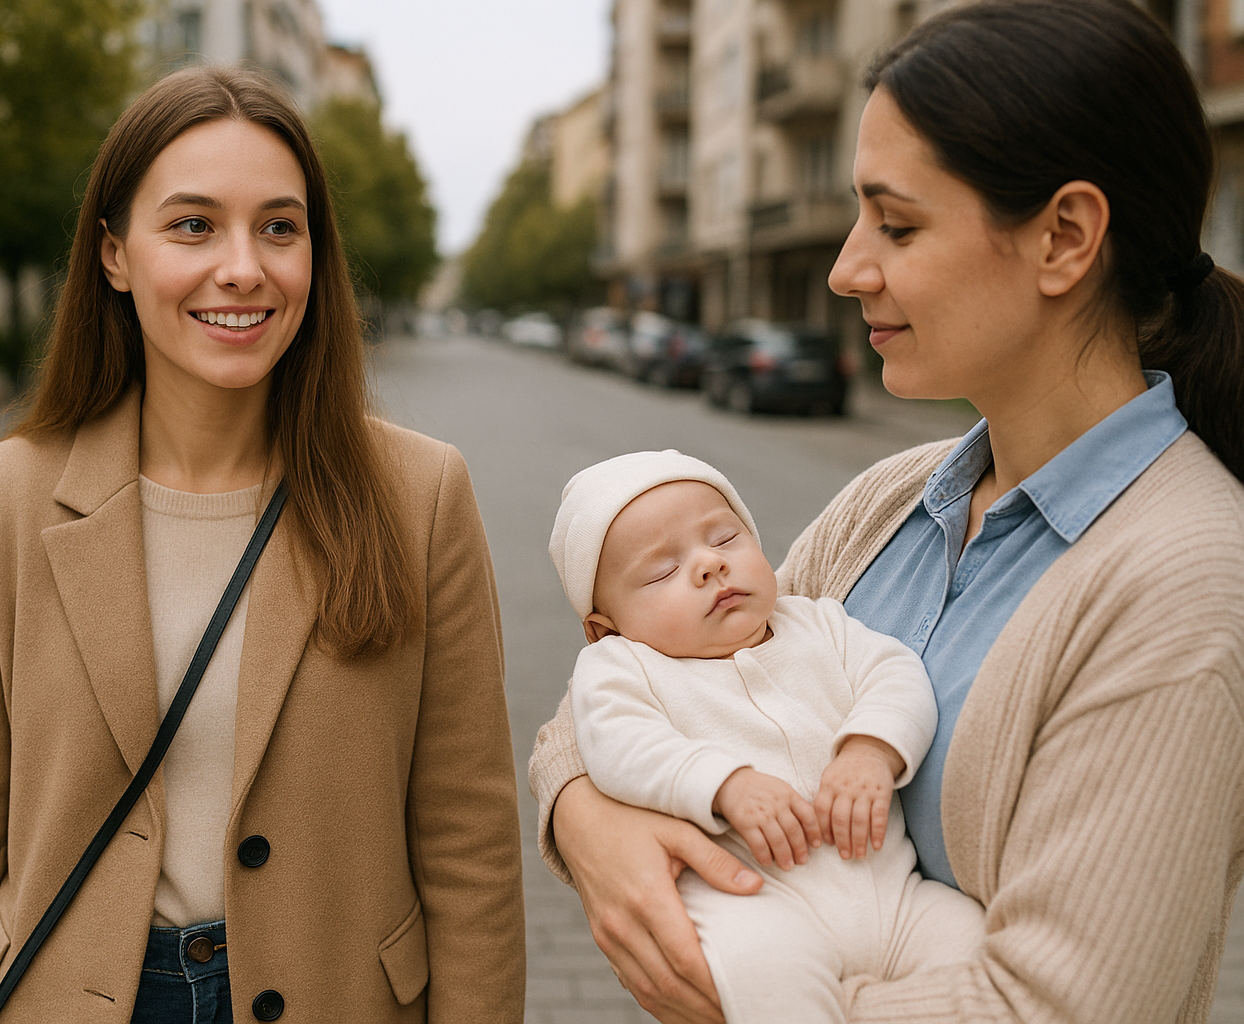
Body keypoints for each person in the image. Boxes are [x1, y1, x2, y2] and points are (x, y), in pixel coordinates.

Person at [528, 2, 1244, 1022]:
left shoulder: (1186, 575)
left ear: (1066, 237)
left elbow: (1058, 1005)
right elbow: (638, 672)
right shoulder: (897, 498)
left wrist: (754, 995)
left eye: (896, 224)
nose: (845, 266)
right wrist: (584, 812)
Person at [0, 65, 525, 1024]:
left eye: (279, 226)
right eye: (192, 225)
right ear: (114, 255)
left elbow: (468, 845)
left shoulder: (420, 496)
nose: (244, 267)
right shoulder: (7, 498)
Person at [552, 450, 984, 1022]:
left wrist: (870, 749)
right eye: (662, 571)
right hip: (756, 902)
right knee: (767, 978)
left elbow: (895, 674)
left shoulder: (818, 623)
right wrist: (724, 783)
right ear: (603, 629)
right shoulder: (620, 669)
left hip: (896, 898)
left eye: (726, 539)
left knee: (972, 941)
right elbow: (618, 744)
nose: (709, 565)